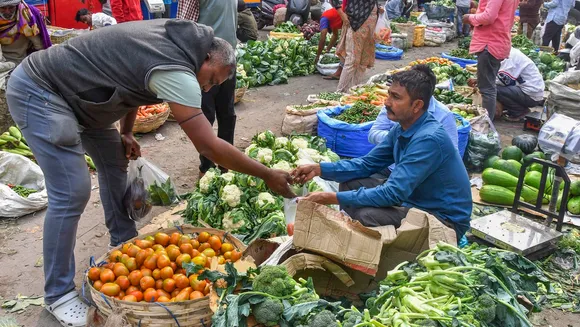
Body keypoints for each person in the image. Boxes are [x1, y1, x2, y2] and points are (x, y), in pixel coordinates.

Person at [6, 20, 294, 327]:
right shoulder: (178, 68)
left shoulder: (181, 46)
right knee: (72, 191)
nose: (206, 88)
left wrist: (127, 132)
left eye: (212, 87)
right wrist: (266, 174)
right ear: (207, 59)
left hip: (84, 100)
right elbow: (208, 146)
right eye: (210, 79)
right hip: (43, 91)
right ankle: (58, 295)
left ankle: (123, 244)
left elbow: (135, 82)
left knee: (115, 161)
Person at [291, 65, 472, 240]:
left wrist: (330, 197)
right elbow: (367, 164)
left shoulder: (428, 139)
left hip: (443, 220)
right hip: (415, 201)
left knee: (366, 215)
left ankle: (378, 251)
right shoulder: (403, 127)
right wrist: (319, 169)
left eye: (395, 97)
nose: (387, 102)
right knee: (350, 183)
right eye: (388, 95)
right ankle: (361, 236)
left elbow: (392, 193)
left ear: (417, 105)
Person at [178, 0, 238, 178]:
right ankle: (206, 167)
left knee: (227, 114)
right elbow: (183, 27)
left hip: (228, 60)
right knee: (206, 116)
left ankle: (226, 162)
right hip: (206, 64)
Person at [463, 0, 518, 121]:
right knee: (489, 86)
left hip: (490, 43)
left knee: (487, 89)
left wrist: (470, 18)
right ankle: (487, 121)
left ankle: (485, 124)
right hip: (497, 42)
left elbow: (489, 17)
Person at [331, 0, 379, 92]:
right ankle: (339, 93)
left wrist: (376, 7)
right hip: (356, 22)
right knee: (352, 60)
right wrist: (341, 13)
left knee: (363, 62)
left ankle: (354, 92)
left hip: (371, 23)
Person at [496, 48, 545, 121]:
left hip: (531, 95)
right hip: (529, 91)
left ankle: (519, 112)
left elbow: (502, 81)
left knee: (494, 89)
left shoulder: (510, 57)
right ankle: (514, 108)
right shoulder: (510, 52)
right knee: (494, 87)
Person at [0, 0, 50, 64]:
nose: (7, 11)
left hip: (18, 62)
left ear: (17, 5)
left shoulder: (26, 16)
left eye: (11, 7)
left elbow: (40, 46)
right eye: (3, 8)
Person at [315, 4, 343, 79]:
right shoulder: (332, 18)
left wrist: (318, 56)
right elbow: (335, 35)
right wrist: (327, 50)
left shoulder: (324, 18)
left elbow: (323, 37)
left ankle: (340, 73)